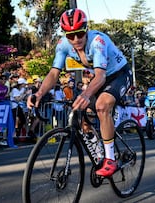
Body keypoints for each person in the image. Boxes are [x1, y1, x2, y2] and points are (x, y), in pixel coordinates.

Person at [27, 8, 133, 177]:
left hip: (119, 74)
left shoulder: (97, 41)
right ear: (65, 35)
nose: (75, 39)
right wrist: (39, 94)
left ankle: (110, 158)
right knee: (81, 114)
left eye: (79, 34)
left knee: (101, 105)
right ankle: (99, 153)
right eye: (70, 35)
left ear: (86, 29)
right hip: (101, 77)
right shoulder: (62, 45)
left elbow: (100, 76)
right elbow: (54, 73)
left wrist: (85, 94)